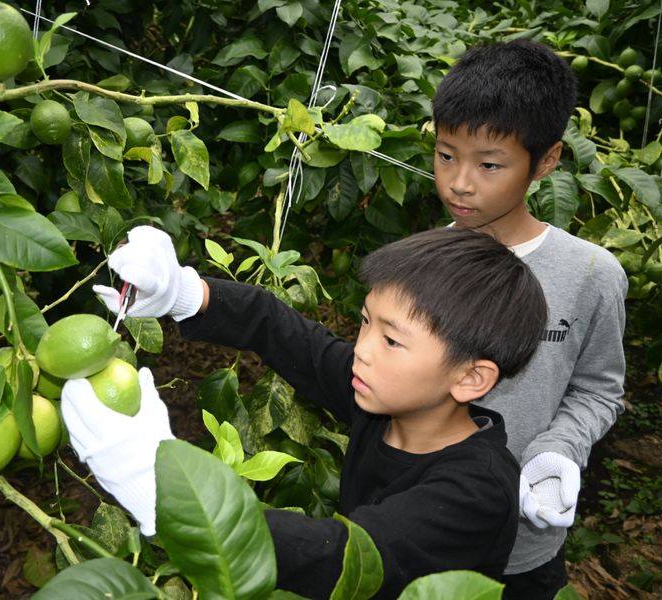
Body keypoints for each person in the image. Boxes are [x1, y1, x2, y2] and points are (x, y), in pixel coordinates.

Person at [61, 225, 549, 599]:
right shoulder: (390, 403)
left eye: (392, 339)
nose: (363, 350)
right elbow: (283, 332)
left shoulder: (478, 492)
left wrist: (166, 494)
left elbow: (344, 558)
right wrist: (187, 294)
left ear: (470, 378)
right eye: (365, 323)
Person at [430, 39, 629, 599]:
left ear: (546, 161)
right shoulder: (414, 264)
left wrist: (558, 449)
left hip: (521, 545)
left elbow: (597, 390)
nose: (460, 182)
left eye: (489, 164)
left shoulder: (591, 274)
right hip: (413, 529)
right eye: (446, 155)